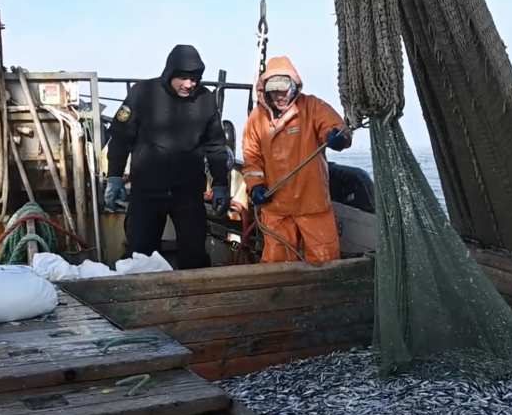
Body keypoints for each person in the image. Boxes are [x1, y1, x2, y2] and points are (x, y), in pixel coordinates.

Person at [105, 44, 230, 269]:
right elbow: (121, 138)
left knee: (194, 253)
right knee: (139, 253)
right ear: (170, 73)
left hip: (188, 191)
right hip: (147, 190)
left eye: (194, 79)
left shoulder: (206, 100)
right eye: (183, 78)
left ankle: (196, 301)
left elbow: (216, 145)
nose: (189, 84)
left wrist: (221, 183)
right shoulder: (142, 93)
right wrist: (114, 176)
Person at [241, 56, 351, 264]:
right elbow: (251, 156)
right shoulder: (256, 119)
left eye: (284, 90)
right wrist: (255, 186)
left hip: (312, 204)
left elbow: (336, 128)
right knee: (276, 267)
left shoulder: (313, 107)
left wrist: (338, 137)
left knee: (324, 263)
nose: (280, 96)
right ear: (266, 91)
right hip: (275, 207)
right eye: (274, 91)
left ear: (294, 86)